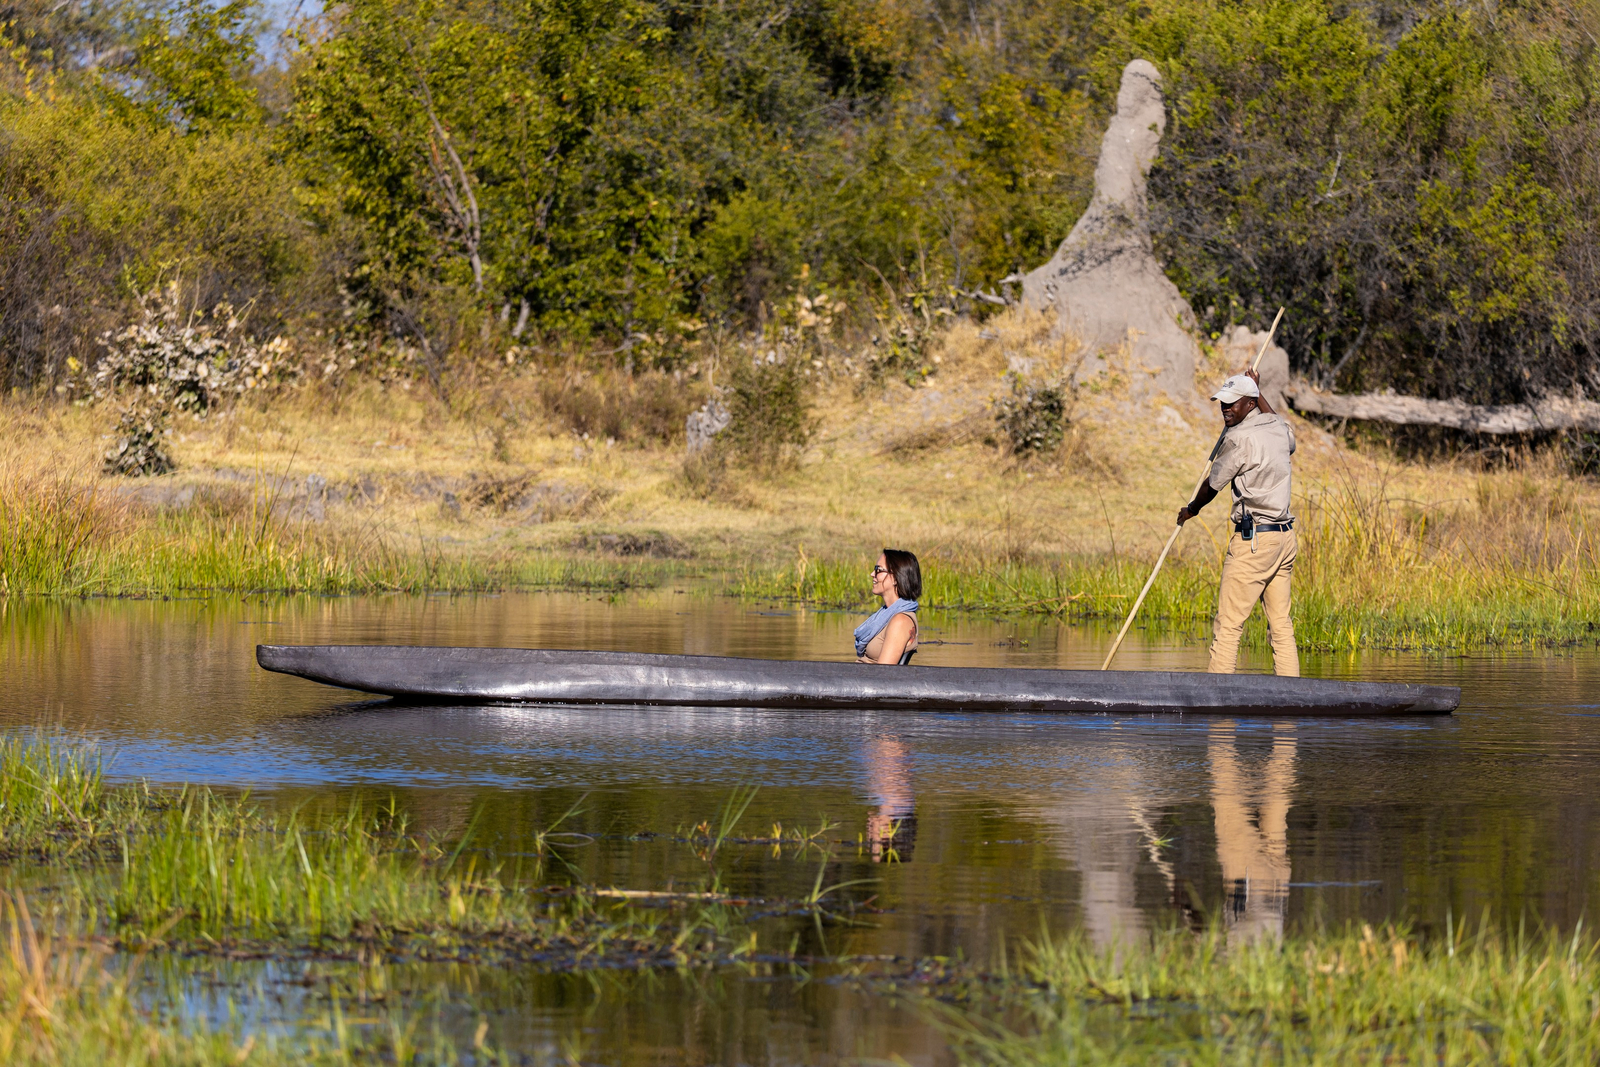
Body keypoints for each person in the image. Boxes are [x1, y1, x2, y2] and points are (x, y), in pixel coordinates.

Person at [1176, 370, 1299, 676]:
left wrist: (1192, 509)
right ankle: (1291, 696)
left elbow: (1213, 484)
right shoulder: (1277, 428)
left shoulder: (1238, 438)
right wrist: (1258, 390)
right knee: (1281, 625)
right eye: (1222, 403)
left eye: (1232, 403)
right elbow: (1281, 428)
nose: (1225, 409)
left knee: (1229, 625)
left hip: (1254, 543)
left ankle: (1216, 699)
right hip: (1284, 540)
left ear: (1249, 404)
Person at [854, 549, 920, 664]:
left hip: (868, 676)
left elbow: (884, 672)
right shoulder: (886, 614)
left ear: (896, 578)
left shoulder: (900, 621)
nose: (872, 574)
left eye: (878, 570)